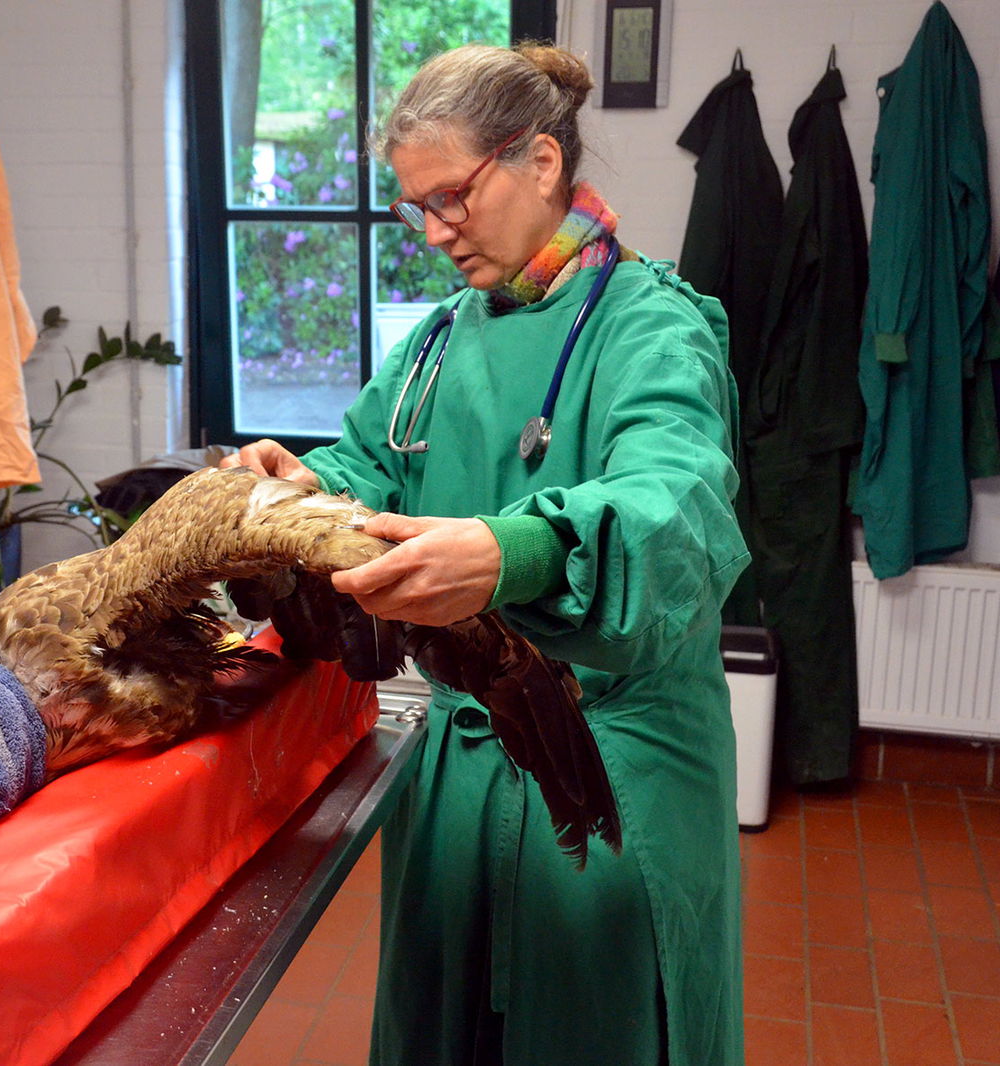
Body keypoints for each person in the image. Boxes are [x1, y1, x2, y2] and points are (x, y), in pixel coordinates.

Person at [221, 42, 748, 1066]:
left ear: (539, 162)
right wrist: (307, 484)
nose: (432, 232)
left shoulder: (651, 330)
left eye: (451, 197)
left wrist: (519, 551)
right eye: (414, 208)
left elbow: (676, 509)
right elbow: (376, 458)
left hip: (606, 769)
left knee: (595, 1031)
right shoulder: (437, 342)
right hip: (461, 775)